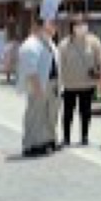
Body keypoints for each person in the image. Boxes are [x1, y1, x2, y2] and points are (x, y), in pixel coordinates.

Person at [59, 14, 101, 147]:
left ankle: (84, 136)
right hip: (69, 84)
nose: (82, 28)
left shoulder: (94, 41)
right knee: (68, 111)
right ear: (72, 28)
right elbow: (59, 64)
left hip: (87, 83)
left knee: (85, 111)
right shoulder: (64, 43)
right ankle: (66, 137)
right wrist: (58, 83)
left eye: (84, 25)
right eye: (78, 25)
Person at [17, 16, 60, 157]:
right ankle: (31, 144)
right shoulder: (30, 44)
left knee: (49, 114)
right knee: (35, 115)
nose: (53, 28)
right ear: (40, 26)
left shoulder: (49, 42)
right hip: (39, 84)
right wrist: (37, 87)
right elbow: (30, 69)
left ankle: (47, 140)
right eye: (50, 24)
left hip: (52, 83)